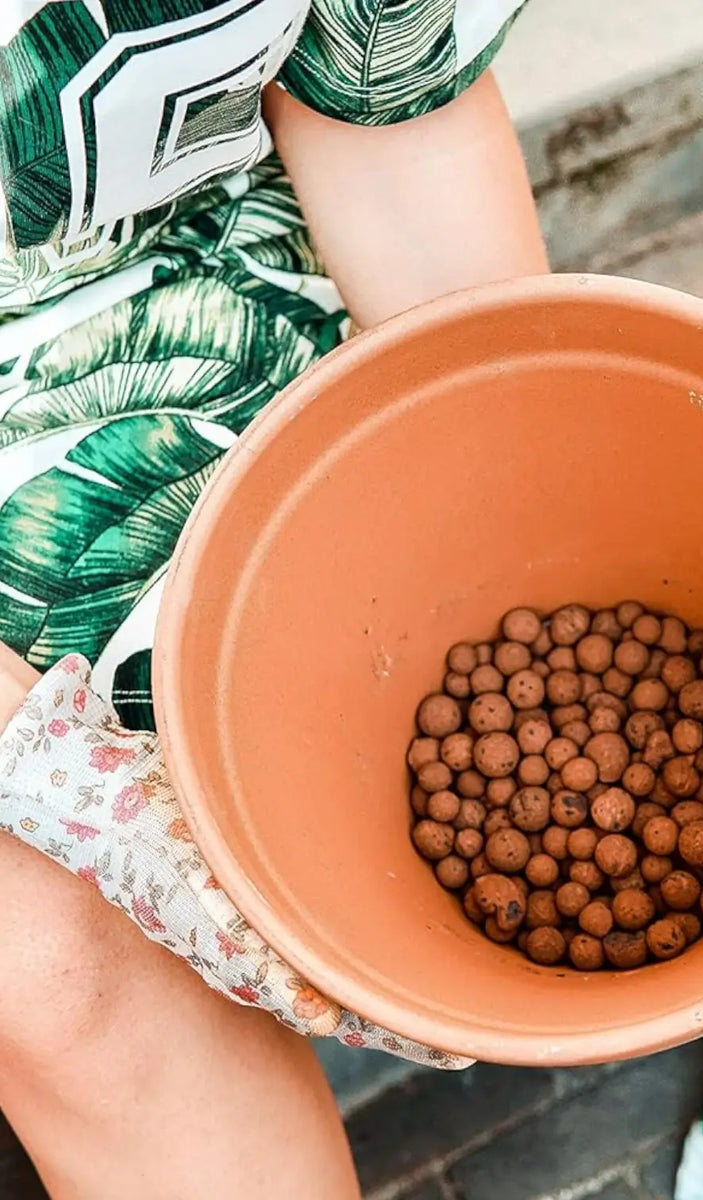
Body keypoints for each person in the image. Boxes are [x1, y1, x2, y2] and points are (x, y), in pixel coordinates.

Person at [0, 2, 546, 1196]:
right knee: (59, 967)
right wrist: (70, 785)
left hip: (199, 280)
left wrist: (507, 477)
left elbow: (385, 101)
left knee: (375, 694)